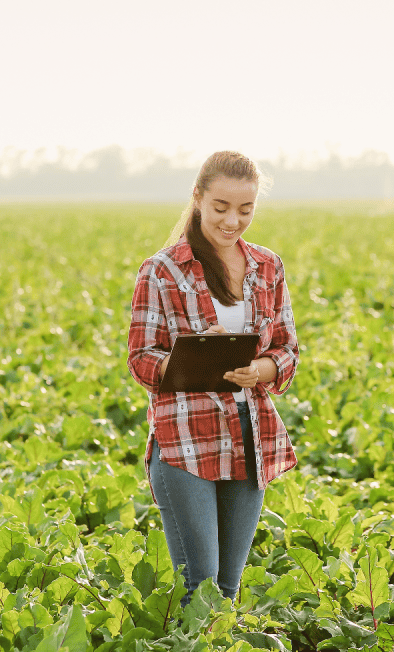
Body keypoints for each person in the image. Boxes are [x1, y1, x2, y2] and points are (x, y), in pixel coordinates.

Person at [127, 150, 299, 605]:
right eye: (221, 207)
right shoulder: (162, 269)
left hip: (250, 433)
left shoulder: (268, 266)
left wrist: (257, 369)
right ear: (198, 198)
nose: (232, 220)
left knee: (227, 589)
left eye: (245, 209)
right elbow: (142, 359)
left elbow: (286, 349)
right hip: (185, 436)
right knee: (198, 589)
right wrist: (197, 351)